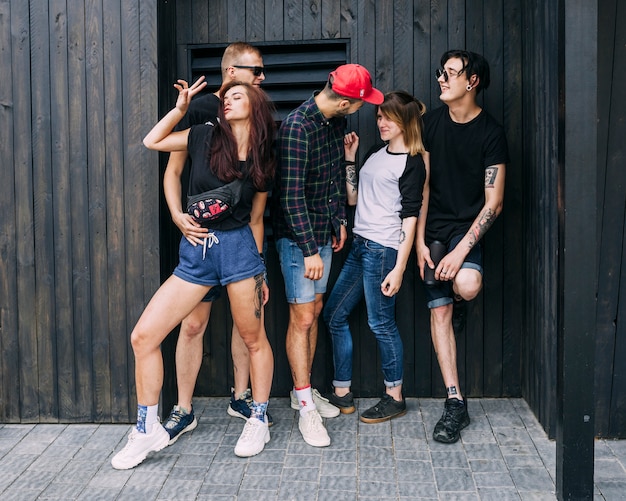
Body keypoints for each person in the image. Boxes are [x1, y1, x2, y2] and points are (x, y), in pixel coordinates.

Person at [111, 78, 277, 469]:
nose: (227, 101)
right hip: (197, 253)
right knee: (144, 336)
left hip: (239, 251)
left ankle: (258, 418)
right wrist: (180, 109)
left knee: (254, 340)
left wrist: (260, 270)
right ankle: (146, 428)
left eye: (237, 96)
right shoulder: (203, 135)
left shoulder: (263, 156)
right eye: (225, 97)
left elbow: (256, 219)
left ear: (254, 106)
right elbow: (153, 141)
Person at [161, 42, 273, 445]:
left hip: (239, 242)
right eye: (256, 71)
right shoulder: (206, 110)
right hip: (200, 241)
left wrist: (258, 264)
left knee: (247, 326)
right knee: (192, 324)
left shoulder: (255, 117)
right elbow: (173, 172)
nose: (262, 77)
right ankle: (183, 410)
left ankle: (241, 397)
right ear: (232, 72)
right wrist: (177, 215)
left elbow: (258, 202)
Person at [272, 63, 383, 447]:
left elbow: (334, 175)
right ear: (345, 100)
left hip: (323, 233)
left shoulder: (334, 123)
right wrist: (307, 250)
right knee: (302, 317)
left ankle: (301, 392)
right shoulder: (297, 127)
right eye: (360, 103)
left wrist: (338, 220)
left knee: (315, 312)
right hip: (298, 241)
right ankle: (305, 407)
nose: (362, 109)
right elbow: (289, 196)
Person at [415, 50, 508, 443]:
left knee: (466, 285)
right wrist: (419, 241)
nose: (441, 79)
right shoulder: (430, 124)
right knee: (439, 314)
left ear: (472, 82)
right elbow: (421, 186)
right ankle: (455, 403)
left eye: (450, 73)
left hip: (465, 231)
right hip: (432, 230)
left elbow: (494, 203)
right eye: (441, 72)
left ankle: (459, 300)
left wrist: (459, 253)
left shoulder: (491, 133)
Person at [324, 91, 429, 423]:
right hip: (359, 246)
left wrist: (399, 268)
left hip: (384, 250)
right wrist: (350, 158)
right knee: (334, 315)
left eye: (387, 118)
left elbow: (410, 218)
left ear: (405, 122)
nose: (380, 123)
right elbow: (354, 198)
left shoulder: (412, 163)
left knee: (381, 324)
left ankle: (394, 396)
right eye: (379, 117)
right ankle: (341, 392)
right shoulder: (374, 151)